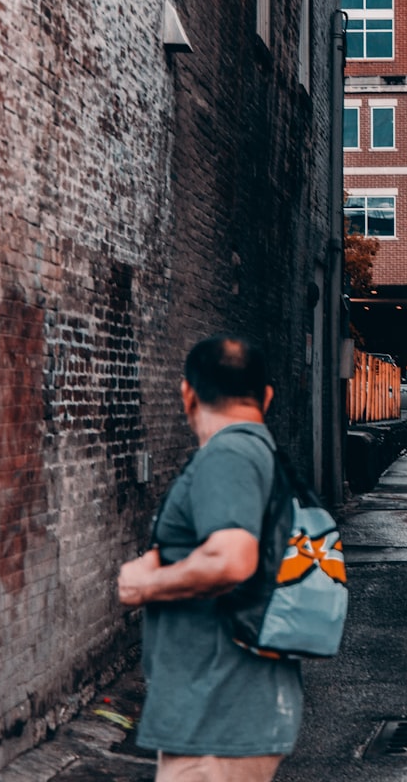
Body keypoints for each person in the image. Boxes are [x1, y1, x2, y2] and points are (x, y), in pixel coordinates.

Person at [118, 334, 302, 782]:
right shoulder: (261, 452)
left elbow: (231, 560)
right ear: (268, 397)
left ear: (187, 393)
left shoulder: (230, 454)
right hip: (232, 712)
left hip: (215, 718)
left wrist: (145, 584)